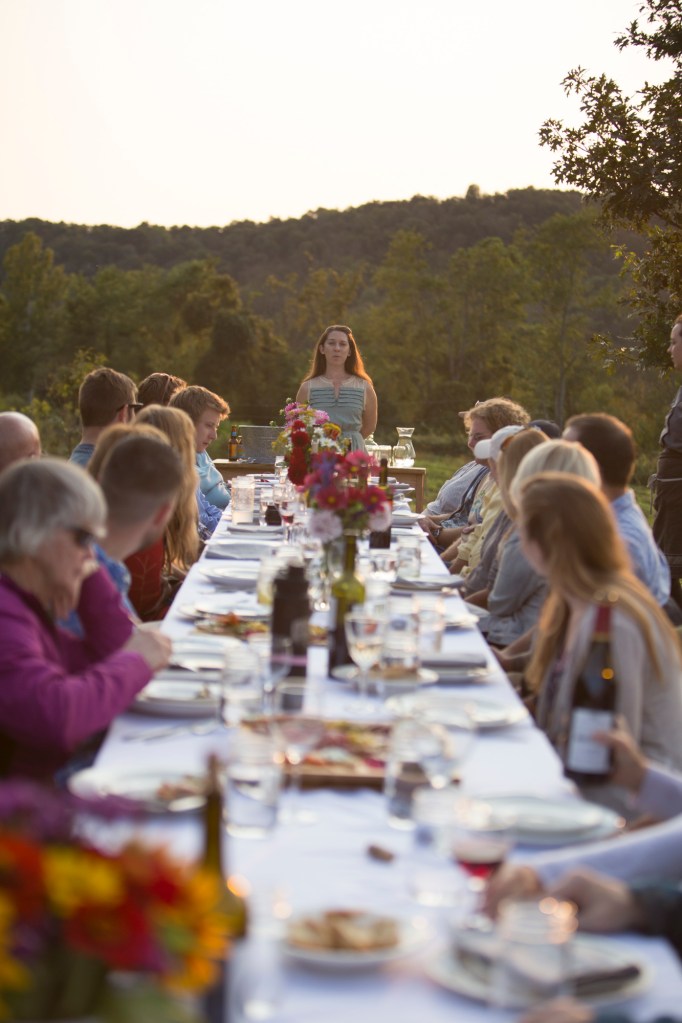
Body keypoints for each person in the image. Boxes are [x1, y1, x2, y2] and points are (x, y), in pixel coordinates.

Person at [516, 472, 682, 813]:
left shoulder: (612, 621)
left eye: (521, 529)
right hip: (587, 791)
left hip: (634, 817)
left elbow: (606, 752)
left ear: (543, 541)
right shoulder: (576, 600)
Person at [0, 458, 171, 780]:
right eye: (83, 539)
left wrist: (91, 580)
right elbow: (56, 717)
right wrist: (136, 660)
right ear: (36, 533)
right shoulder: (6, 611)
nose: (93, 555)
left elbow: (108, 658)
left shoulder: (24, 604)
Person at [564, 413, 671, 609]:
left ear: (592, 467)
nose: (558, 465)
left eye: (566, 455)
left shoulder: (620, 544)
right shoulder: (610, 520)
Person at [464, 425, 549, 646]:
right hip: (507, 635)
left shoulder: (530, 527)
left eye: (496, 467)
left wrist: (453, 607)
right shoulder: (515, 510)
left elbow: (498, 603)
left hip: (504, 637)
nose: (491, 474)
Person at [437, 398, 530, 574]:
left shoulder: (511, 488)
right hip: (465, 569)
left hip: (474, 576)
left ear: (502, 438)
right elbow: (472, 534)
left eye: (479, 437)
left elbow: (486, 563)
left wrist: (446, 575)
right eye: (470, 435)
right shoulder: (490, 476)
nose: (470, 443)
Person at [295, 325, 378, 453]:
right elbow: (300, 425)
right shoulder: (307, 388)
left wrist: (351, 439)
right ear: (322, 349)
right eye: (332, 343)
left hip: (354, 457)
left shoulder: (364, 387)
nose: (337, 348)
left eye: (343, 344)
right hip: (319, 456)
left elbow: (369, 426)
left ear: (350, 351)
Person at [652, 313, 682, 609]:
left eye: (674, 343)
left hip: (679, 493)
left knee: (666, 568)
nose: (669, 349)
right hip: (671, 491)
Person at [170, 385, 231, 509]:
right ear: (186, 422)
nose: (214, 436)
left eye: (216, 427)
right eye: (209, 425)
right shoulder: (176, 467)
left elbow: (220, 484)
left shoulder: (200, 453)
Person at [69, 367, 141, 467]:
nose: (135, 417)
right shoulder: (108, 475)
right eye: (134, 409)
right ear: (123, 414)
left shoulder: (71, 468)